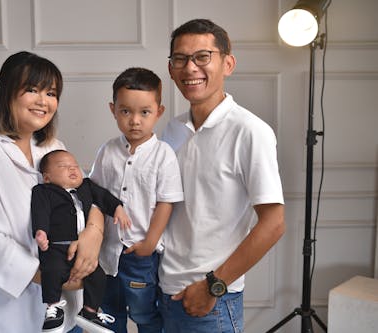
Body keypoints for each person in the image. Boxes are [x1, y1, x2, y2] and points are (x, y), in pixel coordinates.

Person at [0, 51, 105, 333]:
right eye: (32, 90)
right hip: (6, 314)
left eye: (51, 93)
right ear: (7, 92)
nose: (43, 101)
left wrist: (93, 234)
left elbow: (87, 198)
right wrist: (49, 277)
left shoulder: (52, 147)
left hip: (63, 309)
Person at [158, 19, 286, 333]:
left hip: (212, 301)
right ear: (172, 68)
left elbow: (274, 223)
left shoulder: (250, 131)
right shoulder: (172, 129)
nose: (190, 68)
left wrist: (213, 285)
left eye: (202, 57)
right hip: (163, 291)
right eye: (180, 59)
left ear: (227, 63)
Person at [89, 67, 184, 333]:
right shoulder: (107, 152)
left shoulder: (163, 155)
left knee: (144, 314)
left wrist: (150, 243)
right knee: (108, 314)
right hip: (107, 255)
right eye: (125, 111)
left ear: (159, 112)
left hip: (140, 254)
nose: (135, 121)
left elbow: (167, 201)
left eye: (144, 112)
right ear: (113, 109)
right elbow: (95, 194)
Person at [31, 149, 131, 332]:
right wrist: (41, 232)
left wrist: (117, 207)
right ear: (47, 177)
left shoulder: (86, 186)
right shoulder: (43, 191)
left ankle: (89, 312)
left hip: (81, 249)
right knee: (52, 271)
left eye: (75, 165)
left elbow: (104, 197)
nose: (72, 169)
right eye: (63, 166)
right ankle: (53, 309)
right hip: (56, 247)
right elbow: (40, 213)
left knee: (98, 275)